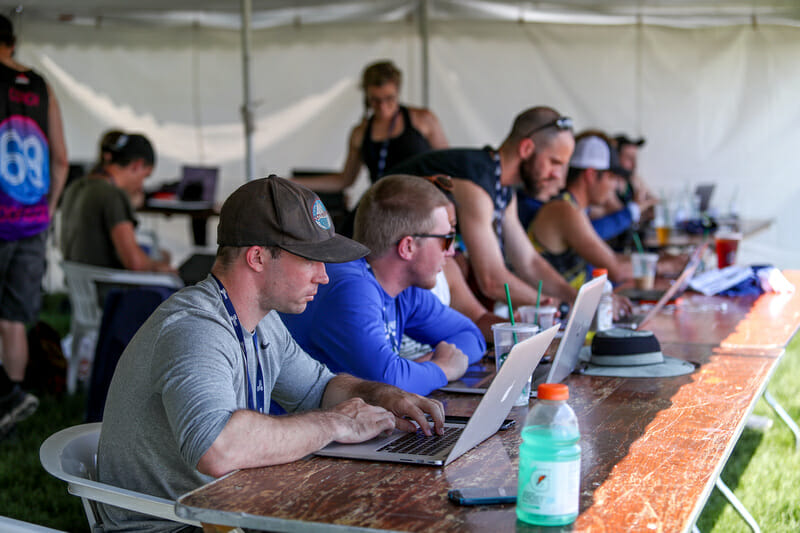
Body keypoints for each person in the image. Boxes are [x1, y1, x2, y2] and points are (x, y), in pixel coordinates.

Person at [97, 176, 445, 532]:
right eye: (312, 259)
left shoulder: (264, 322)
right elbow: (218, 448)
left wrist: (383, 395)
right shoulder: (195, 328)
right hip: (175, 527)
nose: (324, 276)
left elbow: (318, 389)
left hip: (224, 514)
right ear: (258, 257)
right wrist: (337, 422)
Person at [280, 175, 485, 396]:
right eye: (445, 239)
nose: (452, 251)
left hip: (348, 422)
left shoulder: (406, 289)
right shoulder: (350, 287)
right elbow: (390, 383)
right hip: (296, 426)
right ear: (407, 247)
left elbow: (473, 337)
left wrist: (416, 372)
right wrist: (442, 368)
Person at [387, 106, 577, 306]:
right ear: (526, 149)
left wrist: (573, 298)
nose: (558, 176)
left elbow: (529, 262)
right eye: (554, 162)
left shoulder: (501, 185)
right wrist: (554, 306)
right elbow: (492, 280)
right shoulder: (476, 185)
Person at [0, 14, 69, 438]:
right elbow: (60, 159)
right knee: (13, 318)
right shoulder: (41, 86)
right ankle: (12, 400)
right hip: (31, 220)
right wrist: (46, 210)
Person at [528, 131, 679, 289]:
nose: (614, 186)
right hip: (561, 309)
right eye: (612, 178)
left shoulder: (575, 208)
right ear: (591, 175)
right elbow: (616, 270)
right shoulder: (564, 210)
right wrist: (668, 266)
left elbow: (611, 257)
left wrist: (658, 259)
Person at [292, 60, 448, 192]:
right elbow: (344, 180)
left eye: (389, 98)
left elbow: (447, 166)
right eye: (375, 100)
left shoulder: (423, 119)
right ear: (366, 96)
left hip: (423, 202)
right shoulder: (360, 133)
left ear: (398, 91)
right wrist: (293, 183)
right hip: (382, 205)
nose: (383, 106)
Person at [60, 131, 174, 272]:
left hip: (80, 285)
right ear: (137, 165)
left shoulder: (75, 187)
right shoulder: (113, 195)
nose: (141, 185)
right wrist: (164, 268)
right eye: (145, 176)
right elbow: (135, 263)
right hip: (109, 286)